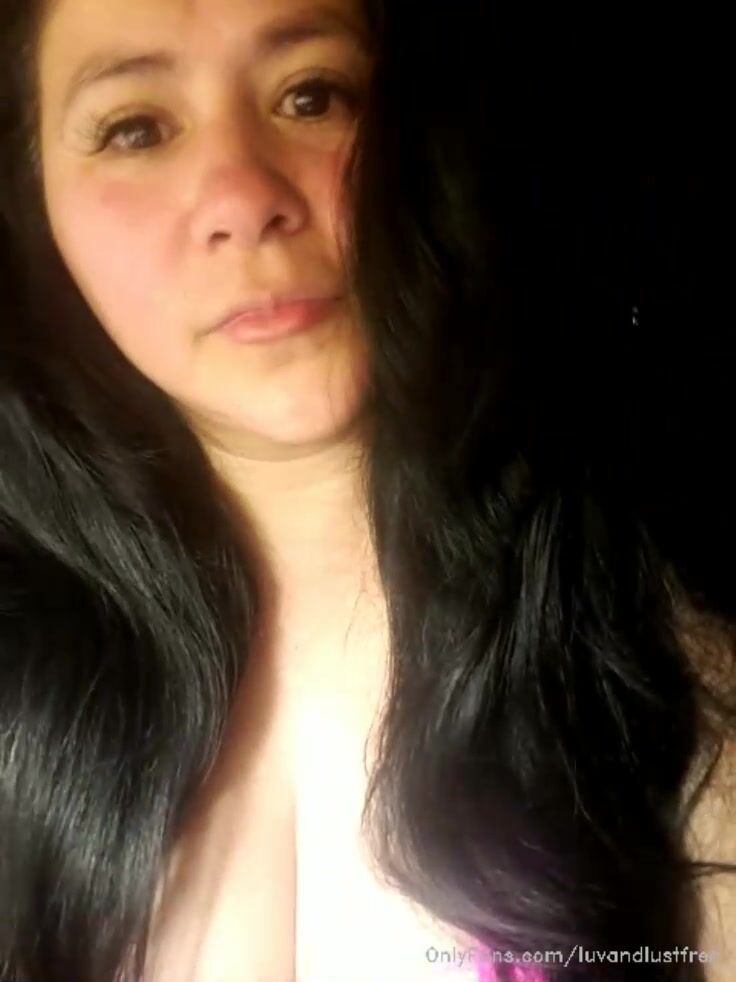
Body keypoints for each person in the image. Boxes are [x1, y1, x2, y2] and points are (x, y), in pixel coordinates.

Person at [0, 2, 732, 982]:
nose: (244, 196)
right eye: (136, 128)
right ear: (35, 208)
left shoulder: (667, 705)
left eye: (312, 95)